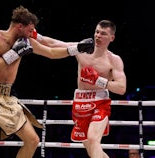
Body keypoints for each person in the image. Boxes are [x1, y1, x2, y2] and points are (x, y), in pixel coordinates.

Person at [0, 5, 94, 158]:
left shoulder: (26, 41)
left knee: (32, 140)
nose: (32, 34)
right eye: (30, 30)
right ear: (20, 26)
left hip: (7, 97)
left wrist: (77, 48)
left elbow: (51, 52)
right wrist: (13, 54)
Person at [31, 20, 127, 158]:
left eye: (103, 33)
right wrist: (35, 35)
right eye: (97, 32)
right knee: (91, 147)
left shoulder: (114, 60)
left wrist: (98, 80)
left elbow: (121, 88)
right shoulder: (82, 49)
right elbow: (54, 43)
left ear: (112, 38)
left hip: (100, 103)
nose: (98, 35)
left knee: (94, 139)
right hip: (80, 103)